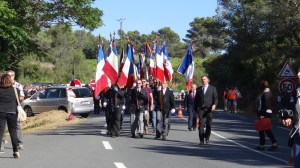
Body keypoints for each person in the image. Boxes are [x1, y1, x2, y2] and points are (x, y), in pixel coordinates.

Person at [282, 69, 300, 168]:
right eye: (298, 71)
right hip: (298, 133)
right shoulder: (297, 92)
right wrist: (288, 117)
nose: (298, 74)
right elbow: (292, 107)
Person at [0, 74, 20, 158]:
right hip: (12, 111)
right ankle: (16, 150)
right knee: (13, 132)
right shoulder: (15, 89)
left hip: (1, 111)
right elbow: (17, 100)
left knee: (0, 132)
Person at [194, 75, 218, 145]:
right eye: (202, 79)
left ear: (207, 80)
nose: (203, 80)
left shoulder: (213, 88)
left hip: (209, 109)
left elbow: (215, 98)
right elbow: (196, 100)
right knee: (201, 124)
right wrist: (195, 109)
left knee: (208, 125)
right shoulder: (198, 89)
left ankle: (207, 137)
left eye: (204, 79)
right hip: (201, 109)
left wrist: (214, 105)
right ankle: (201, 140)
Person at [255, 80, 278, 151]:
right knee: (262, 130)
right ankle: (262, 145)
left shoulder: (265, 94)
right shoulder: (268, 93)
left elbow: (266, 105)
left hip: (265, 113)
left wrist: (262, 114)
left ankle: (274, 144)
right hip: (266, 112)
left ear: (262, 86)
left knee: (267, 130)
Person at [6, 70, 25, 150]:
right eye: (7, 76)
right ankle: (2, 144)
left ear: (13, 76)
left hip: (14, 107)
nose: (8, 78)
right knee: (3, 127)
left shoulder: (18, 85)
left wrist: (17, 99)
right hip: (5, 107)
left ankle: (19, 143)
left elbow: (22, 96)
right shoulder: (4, 84)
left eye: (9, 76)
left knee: (16, 126)